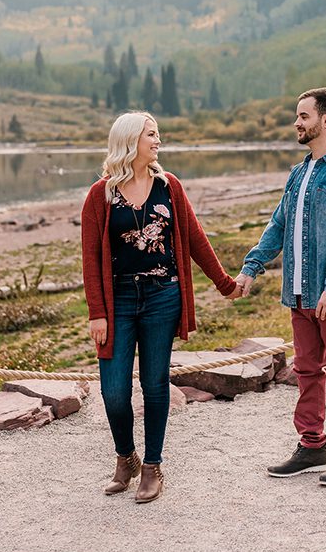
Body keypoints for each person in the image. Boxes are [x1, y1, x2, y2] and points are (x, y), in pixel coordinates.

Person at [81, 111, 242, 503]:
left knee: (155, 385)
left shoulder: (169, 186)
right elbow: (90, 259)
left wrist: (224, 283)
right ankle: (126, 458)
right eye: (151, 134)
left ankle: (152, 466)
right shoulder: (100, 194)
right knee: (114, 390)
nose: (158, 140)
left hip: (162, 296)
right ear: (130, 140)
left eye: (157, 134)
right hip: (117, 300)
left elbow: (194, 238)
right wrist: (97, 313)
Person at [236, 87, 326, 486]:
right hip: (298, 292)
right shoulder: (298, 173)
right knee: (307, 370)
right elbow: (279, 224)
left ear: (325, 120)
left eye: (303, 116)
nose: (297, 123)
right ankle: (312, 446)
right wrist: (251, 266)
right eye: (297, 117)